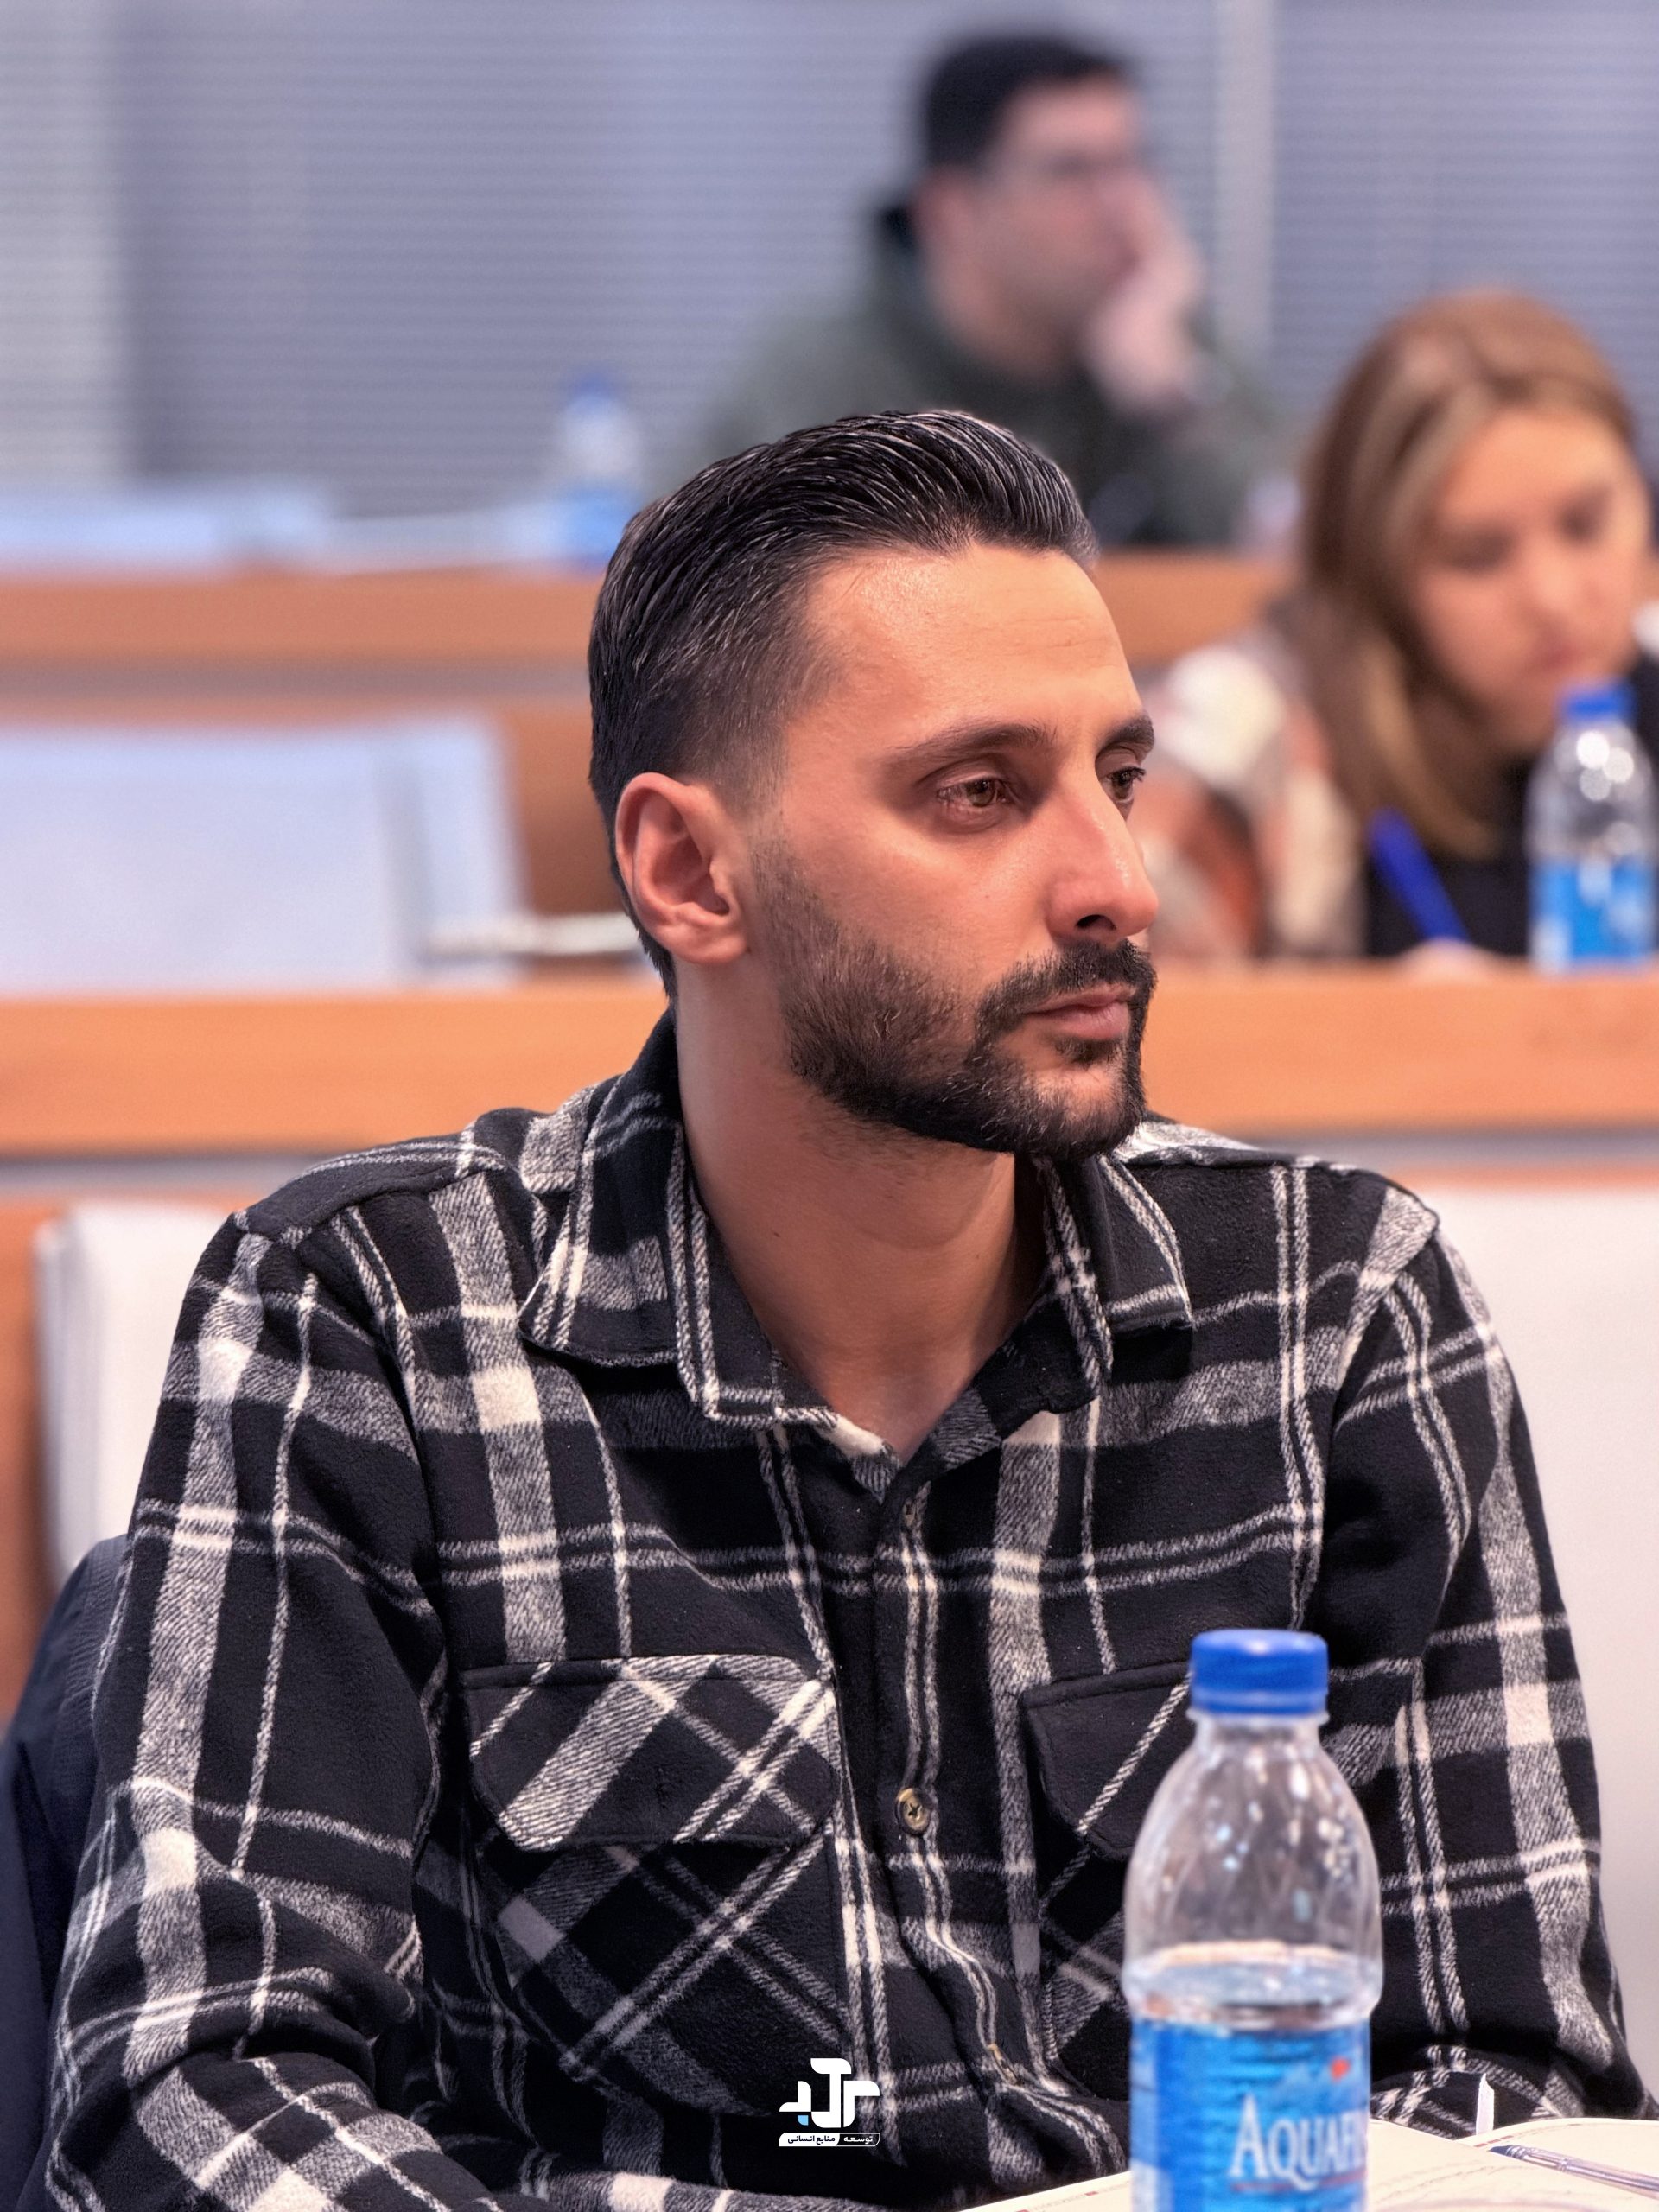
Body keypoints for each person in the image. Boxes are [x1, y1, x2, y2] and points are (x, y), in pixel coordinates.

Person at [49, 412, 1649, 2212]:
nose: (1117, 883)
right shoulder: (378, 1321)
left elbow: (1506, 2082)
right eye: (980, 792)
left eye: (1116, 776)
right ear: (689, 872)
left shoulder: (1332, 1312)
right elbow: (194, 2098)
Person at [1139, 289, 1658, 957]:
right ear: (1375, 571)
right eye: (1478, 555)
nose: (1554, 598)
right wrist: (1383, 1019)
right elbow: (1104, 1006)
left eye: (1585, 525)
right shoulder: (1244, 733)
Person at [692, 33, 1279, 545]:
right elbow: (701, 587)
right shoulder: (823, 378)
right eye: (1070, 171)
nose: (1121, 207)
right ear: (951, 210)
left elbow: (1293, 555)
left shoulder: (1158, 346)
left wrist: (1175, 401)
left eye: (1131, 164)